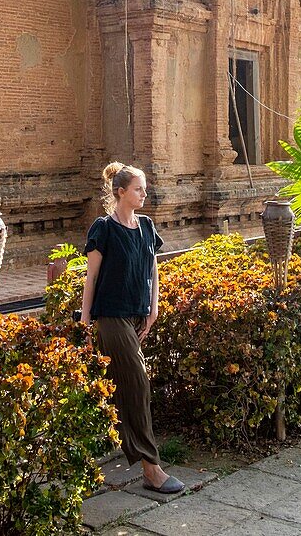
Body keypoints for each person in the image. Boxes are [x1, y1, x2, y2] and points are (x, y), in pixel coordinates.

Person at [81, 161, 185, 494]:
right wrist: (85, 320)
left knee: (119, 387)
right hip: (110, 316)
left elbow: (153, 272)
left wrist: (153, 310)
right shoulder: (103, 229)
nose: (144, 193)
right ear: (121, 192)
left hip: (138, 316)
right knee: (138, 382)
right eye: (138, 189)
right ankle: (151, 469)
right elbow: (91, 278)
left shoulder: (146, 227)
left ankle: (90, 446)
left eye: (145, 188)